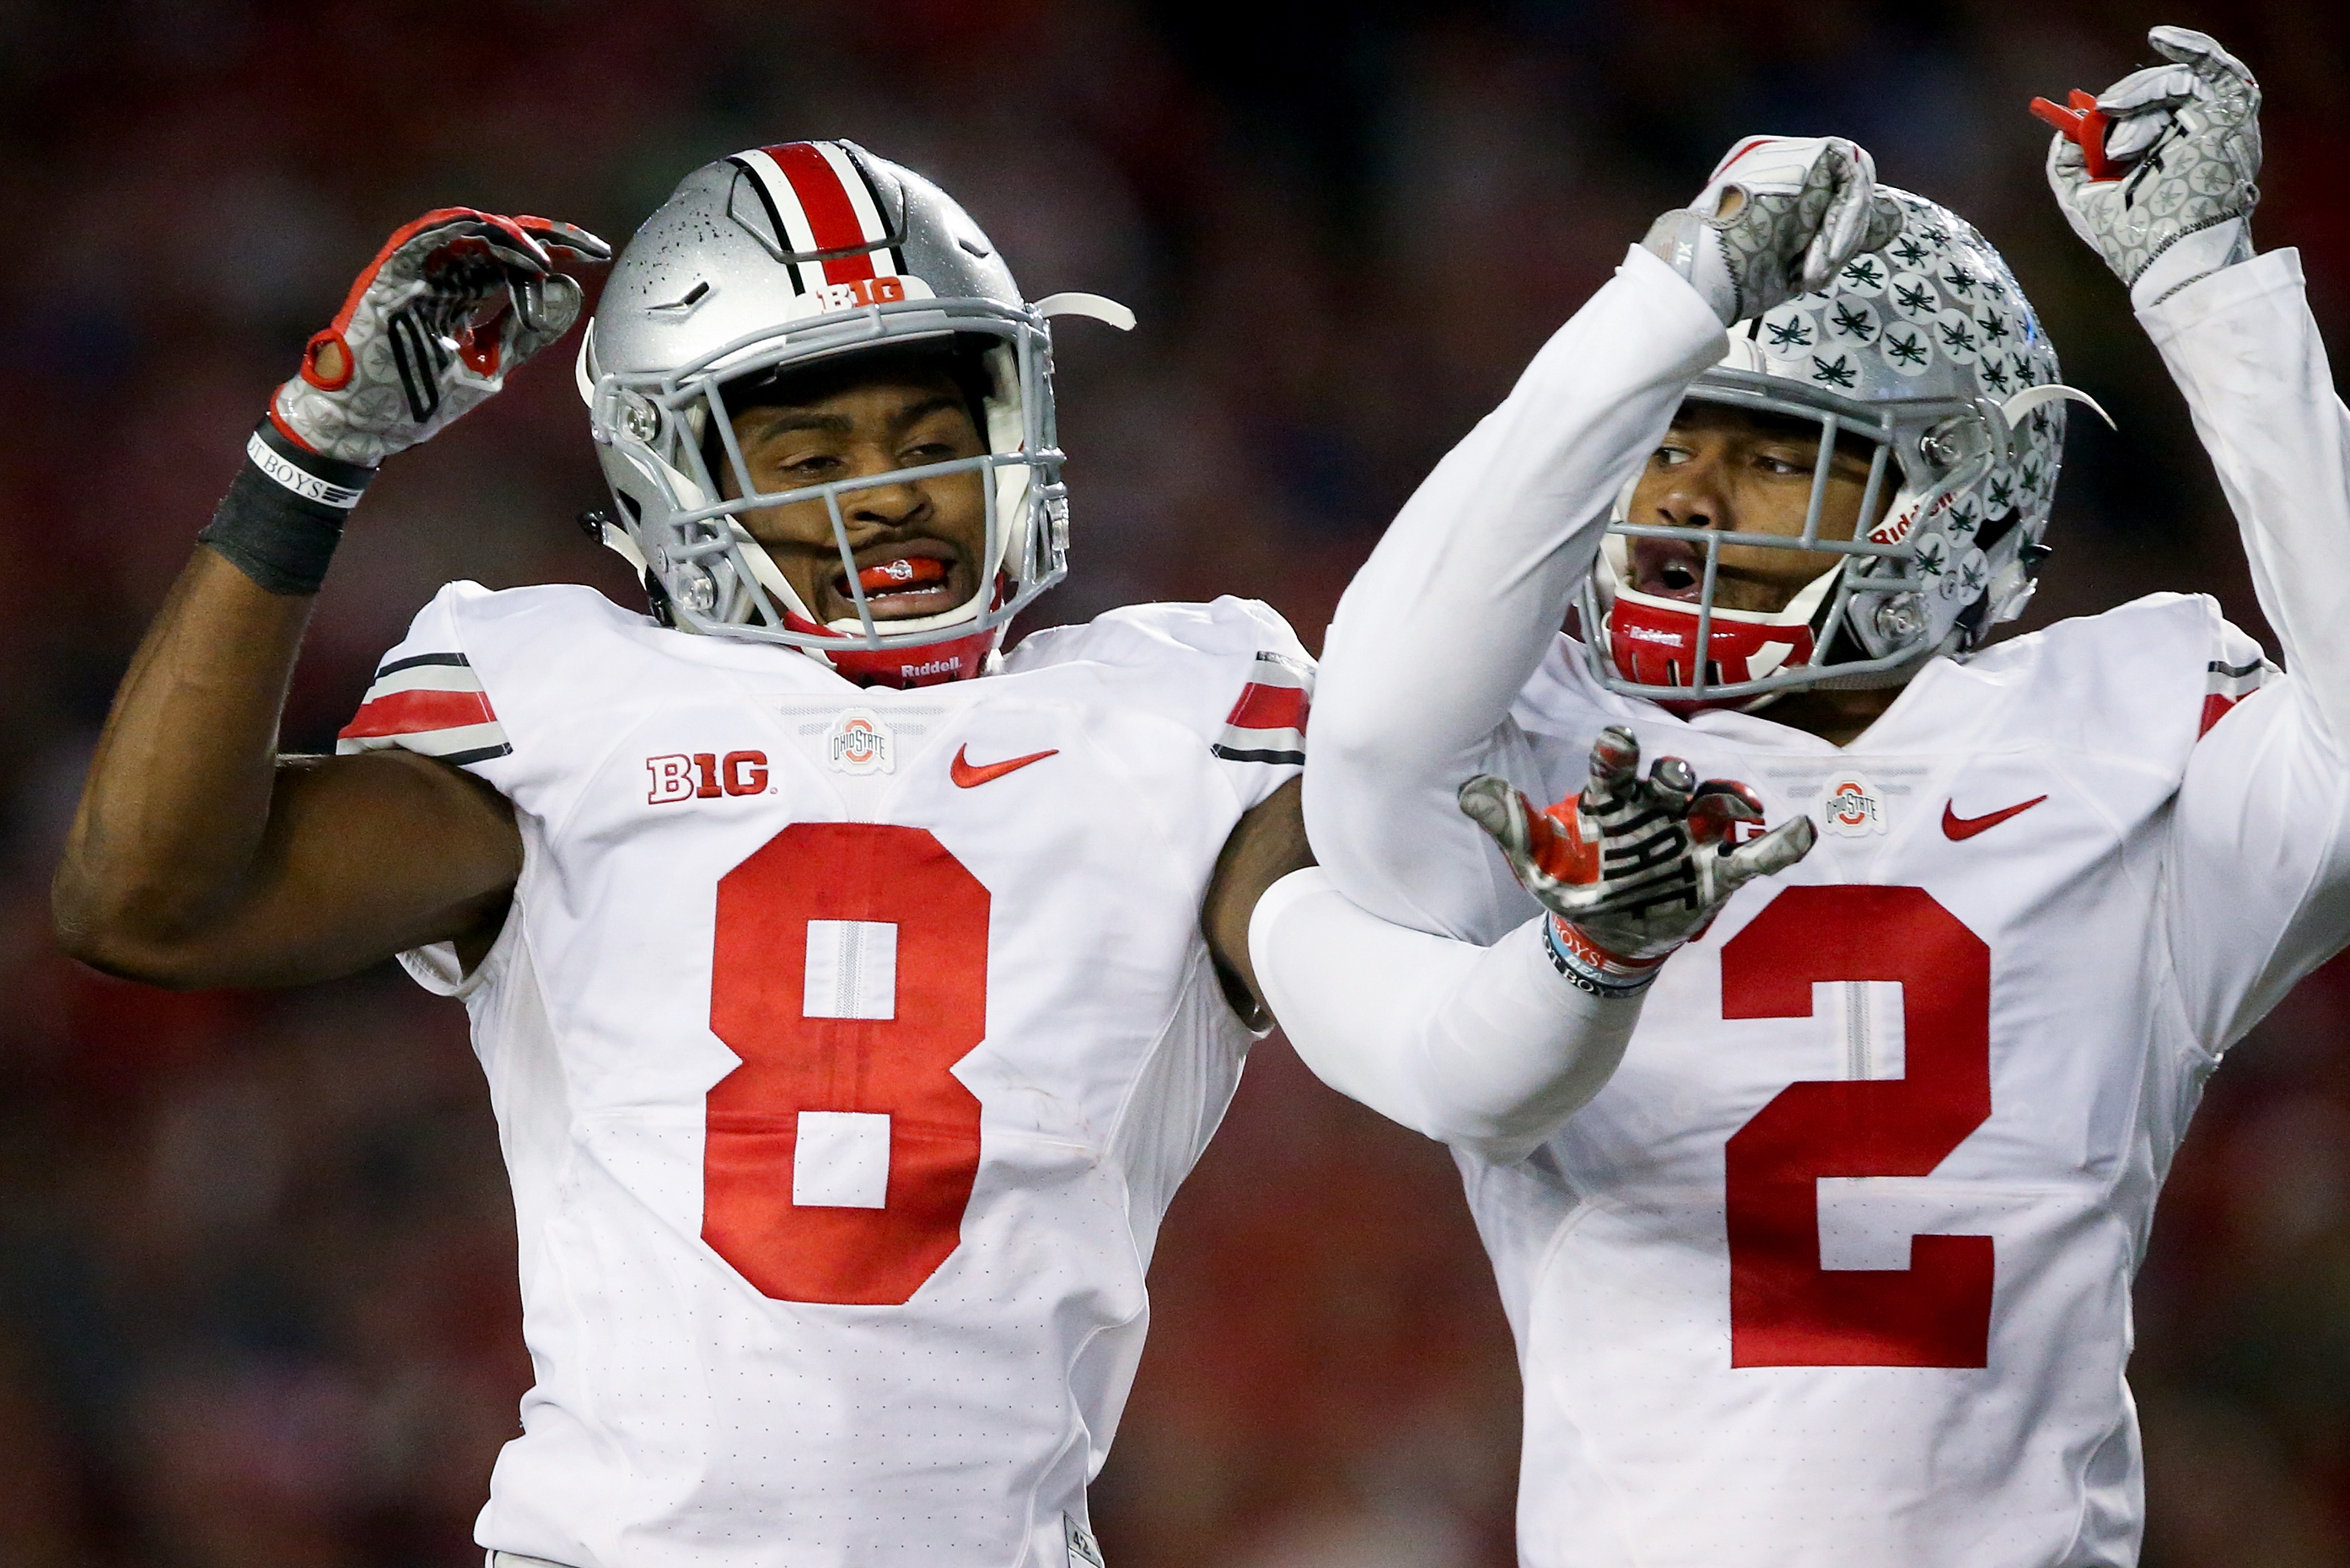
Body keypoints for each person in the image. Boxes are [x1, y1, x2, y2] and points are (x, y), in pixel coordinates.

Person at [48, 141, 1828, 1568]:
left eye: (925, 429)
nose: (883, 488)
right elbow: (143, 899)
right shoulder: (560, 701)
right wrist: (309, 458)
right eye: (806, 444)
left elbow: (1407, 965)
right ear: (669, 471)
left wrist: (1576, 921)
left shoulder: (1175, 709)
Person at [1261, 28, 2350, 1567]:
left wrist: (2208, 293)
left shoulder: (2118, 738)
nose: (1684, 502)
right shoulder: (1557, 754)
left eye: (1771, 457)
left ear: (1952, 493)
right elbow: (1369, 731)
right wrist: (1667, 299)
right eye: (1659, 448)